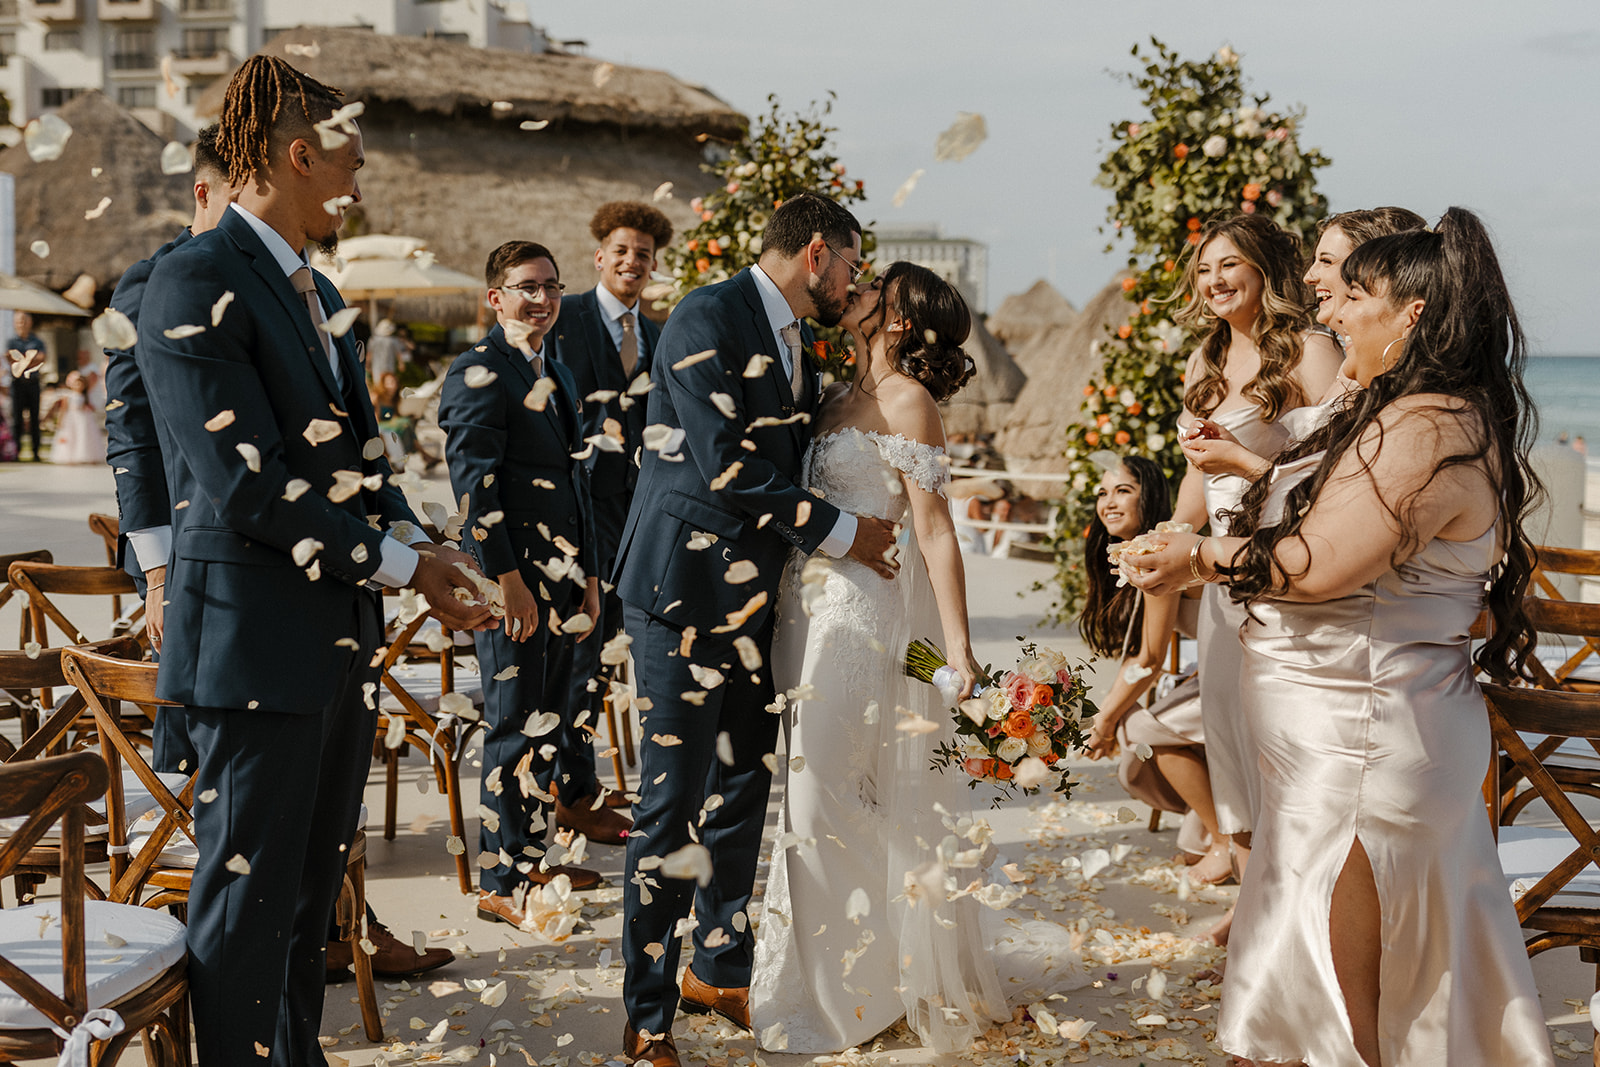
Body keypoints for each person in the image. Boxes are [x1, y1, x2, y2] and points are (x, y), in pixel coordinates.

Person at [1124, 207, 1554, 1066]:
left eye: (1352, 295)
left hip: (1362, 747)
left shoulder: (1429, 427)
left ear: (1412, 316)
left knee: (1314, 1007)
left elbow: (1316, 566)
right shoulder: (1404, 415)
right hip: (1345, 745)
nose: (1328, 312)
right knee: (1375, 994)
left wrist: (1197, 555)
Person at [138, 55, 493, 1066]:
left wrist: (427, 546)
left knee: (308, 907)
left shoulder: (317, 287)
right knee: (246, 911)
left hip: (333, 643)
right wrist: (395, 563)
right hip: (251, 653)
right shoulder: (192, 277)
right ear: (302, 155)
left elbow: (354, 467)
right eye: (354, 161)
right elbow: (241, 481)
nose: (360, 182)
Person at [749, 263, 1086, 1053]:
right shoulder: (831, 394)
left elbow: (935, 529)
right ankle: (835, 967)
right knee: (814, 794)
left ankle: (854, 991)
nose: (856, 289)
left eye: (875, 289)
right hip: (802, 612)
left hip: (861, 618)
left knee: (819, 799)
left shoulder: (910, 401)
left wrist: (960, 647)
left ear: (899, 321)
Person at [612, 192, 900, 1067]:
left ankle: (720, 964)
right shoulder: (706, 315)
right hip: (680, 595)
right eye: (851, 264)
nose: (854, 282)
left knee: (742, 792)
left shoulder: (797, 339)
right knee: (668, 808)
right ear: (817, 252)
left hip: (756, 607)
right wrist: (851, 535)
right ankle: (645, 1017)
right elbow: (730, 466)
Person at [1167, 215, 1341, 932]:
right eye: (1204, 268)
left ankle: (1295, 900)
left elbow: (1337, 480)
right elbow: (1192, 484)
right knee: (1228, 734)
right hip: (1216, 580)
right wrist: (1169, 544)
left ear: (1267, 269)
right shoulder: (1201, 362)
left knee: (1279, 740)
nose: (1213, 281)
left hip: (1281, 576)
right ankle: (1251, 891)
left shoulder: (1311, 352)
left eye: (1229, 264)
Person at [439, 240, 605, 922]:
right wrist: (505, 580)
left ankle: (533, 858)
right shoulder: (478, 370)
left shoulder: (556, 371)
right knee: (512, 728)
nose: (541, 298)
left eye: (551, 286)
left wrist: (591, 579)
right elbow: (472, 484)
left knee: (551, 725)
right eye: (525, 287)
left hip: (567, 585)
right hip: (515, 584)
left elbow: (577, 483)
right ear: (495, 298)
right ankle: (499, 883)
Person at [549, 200, 677, 847]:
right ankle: (571, 794)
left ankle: (580, 782)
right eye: (623, 250)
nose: (633, 262)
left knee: (609, 667)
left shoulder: (660, 336)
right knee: (577, 665)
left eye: (644, 255)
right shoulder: (562, 319)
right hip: (573, 527)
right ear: (600, 255)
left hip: (639, 527)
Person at [1077, 457, 1226, 885]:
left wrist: (1105, 721)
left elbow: (1149, 659)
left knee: (1139, 731)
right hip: (1214, 668)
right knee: (1132, 732)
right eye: (1102, 493)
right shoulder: (1135, 552)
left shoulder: (1156, 549)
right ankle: (1207, 834)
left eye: (1123, 490)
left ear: (1151, 495)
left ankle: (1223, 842)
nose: (1109, 502)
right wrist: (1106, 717)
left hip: (1242, 667)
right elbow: (1137, 657)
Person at [7, 311, 45, 461]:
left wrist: (22, 360)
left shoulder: (37, 341)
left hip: (33, 384)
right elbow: (10, 359)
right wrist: (30, 359)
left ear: (29, 323)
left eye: (23, 320)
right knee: (17, 419)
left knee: (35, 419)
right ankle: (16, 452)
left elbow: (42, 358)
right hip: (17, 385)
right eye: (18, 321)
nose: (21, 323)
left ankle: (36, 452)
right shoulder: (11, 342)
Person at [46, 370, 105, 464]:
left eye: (81, 384)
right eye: (76, 384)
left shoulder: (85, 396)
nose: (78, 386)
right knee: (71, 436)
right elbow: (63, 409)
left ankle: (85, 455)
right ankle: (69, 456)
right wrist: (59, 421)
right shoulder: (68, 396)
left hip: (83, 419)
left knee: (82, 436)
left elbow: (89, 406)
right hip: (71, 419)